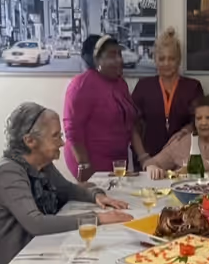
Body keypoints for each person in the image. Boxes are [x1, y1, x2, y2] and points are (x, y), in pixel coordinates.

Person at [0, 103, 131, 264]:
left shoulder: (42, 163)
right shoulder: (8, 173)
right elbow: (36, 224)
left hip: (41, 248)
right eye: (55, 136)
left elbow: (67, 190)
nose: (62, 143)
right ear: (30, 140)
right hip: (13, 263)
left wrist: (96, 196)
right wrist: (96, 219)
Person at [63, 34, 148, 181]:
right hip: (90, 161)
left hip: (117, 161)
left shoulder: (120, 83)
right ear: (96, 60)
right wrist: (84, 165)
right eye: (112, 55)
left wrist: (143, 157)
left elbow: (131, 123)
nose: (119, 60)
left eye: (119, 54)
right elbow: (73, 131)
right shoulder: (81, 85)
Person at [130, 28, 204, 158]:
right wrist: (143, 157)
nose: (166, 64)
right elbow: (133, 126)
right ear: (155, 60)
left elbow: (201, 120)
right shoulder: (143, 86)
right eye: (162, 59)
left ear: (179, 60)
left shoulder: (193, 87)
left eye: (171, 59)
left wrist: (186, 130)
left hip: (183, 159)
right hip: (150, 158)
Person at [146, 94, 209, 178]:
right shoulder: (181, 142)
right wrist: (152, 167)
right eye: (199, 118)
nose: (203, 123)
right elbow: (152, 163)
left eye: (208, 118)